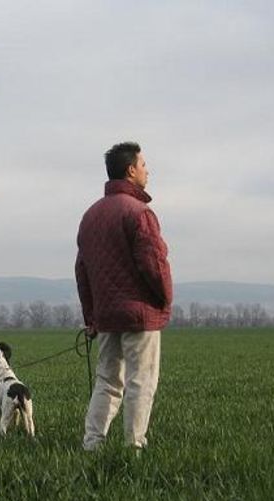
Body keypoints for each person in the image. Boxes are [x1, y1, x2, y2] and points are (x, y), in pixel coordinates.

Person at [75, 141, 173, 451]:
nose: (147, 171)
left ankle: (92, 444)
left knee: (107, 381)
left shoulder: (90, 216)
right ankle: (134, 447)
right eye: (143, 165)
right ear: (131, 170)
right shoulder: (140, 213)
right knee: (140, 382)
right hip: (139, 315)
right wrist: (165, 301)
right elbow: (155, 264)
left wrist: (91, 317)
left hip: (106, 317)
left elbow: (82, 271)